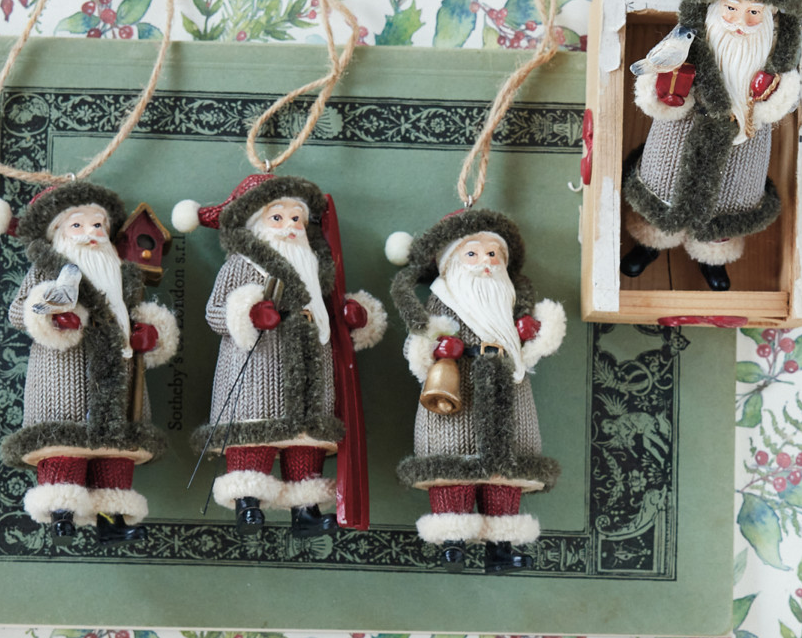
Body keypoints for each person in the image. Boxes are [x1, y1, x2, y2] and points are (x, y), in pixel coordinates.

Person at [175, 174, 384, 534]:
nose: (290, 226)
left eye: (296, 218)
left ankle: (305, 511)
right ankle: (247, 503)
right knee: (254, 435)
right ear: (257, 223)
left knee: (305, 441)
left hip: (312, 369)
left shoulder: (316, 270)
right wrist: (249, 313)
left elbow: (332, 315)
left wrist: (354, 317)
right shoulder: (241, 265)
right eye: (278, 217)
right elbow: (214, 313)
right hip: (257, 369)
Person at [622, 0, 802, 291]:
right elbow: (654, 82)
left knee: (728, 208)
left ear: (769, 14)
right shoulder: (690, 41)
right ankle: (651, 243)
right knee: (662, 196)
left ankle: (714, 256)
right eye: (731, 9)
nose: (741, 23)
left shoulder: (772, 60)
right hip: (679, 136)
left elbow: (782, 100)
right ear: (714, 5)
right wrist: (665, 94)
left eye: (754, 13)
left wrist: (769, 98)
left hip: (743, 145)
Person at [0, 182, 178, 543]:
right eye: (77, 225)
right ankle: (61, 515)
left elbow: (134, 313)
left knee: (115, 454)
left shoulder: (121, 273)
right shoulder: (47, 268)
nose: (90, 233)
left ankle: (112, 519)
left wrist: (151, 333)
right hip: (62, 378)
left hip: (120, 380)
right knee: (64, 447)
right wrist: (52, 315)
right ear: (58, 232)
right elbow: (18, 312)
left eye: (98, 225)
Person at [388, 209, 565, 571]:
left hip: (509, 388)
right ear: (452, 262)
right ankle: (452, 542)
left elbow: (529, 341)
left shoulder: (511, 301)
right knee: (453, 464)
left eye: (493, 253)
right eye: (472, 253)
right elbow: (422, 342)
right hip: (457, 390)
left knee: (505, 471)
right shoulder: (444, 298)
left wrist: (534, 333)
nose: (486, 262)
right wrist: (437, 348)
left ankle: (501, 546)